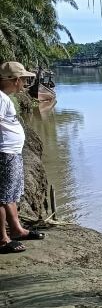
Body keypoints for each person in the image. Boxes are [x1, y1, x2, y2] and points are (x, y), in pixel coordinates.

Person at [1, 62, 45, 254]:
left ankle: (16, 229)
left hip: (11, 152)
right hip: (4, 152)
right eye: (25, 79)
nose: (26, 83)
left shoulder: (5, 97)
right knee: (2, 197)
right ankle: (2, 239)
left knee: (9, 194)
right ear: (16, 80)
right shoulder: (1, 99)